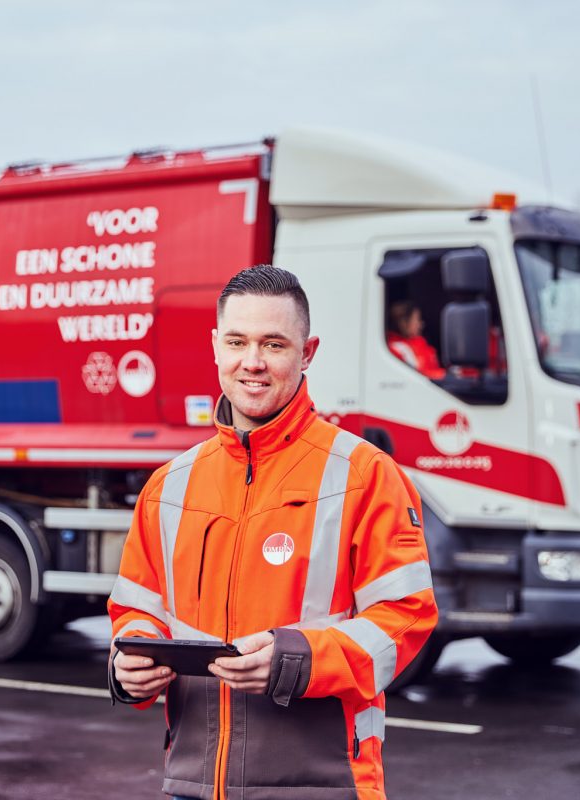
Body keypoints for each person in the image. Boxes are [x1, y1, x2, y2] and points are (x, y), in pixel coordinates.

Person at [108, 265, 438, 800]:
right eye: (237, 341)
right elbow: (136, 612)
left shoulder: (364, 474)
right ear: (215, 346)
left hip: (322, 785)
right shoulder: (169, 486)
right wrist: (131, 664)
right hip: (190, 784)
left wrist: (300, 659)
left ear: (308, 353)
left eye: (274, 344)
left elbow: (406, 617)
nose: (252, 362)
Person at [386, 299, 444, 379]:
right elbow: (415, 376)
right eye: (417, 319)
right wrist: (443, 375)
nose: (421, 324)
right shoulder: (394, 349)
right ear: (403, 323)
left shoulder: (417, 343)